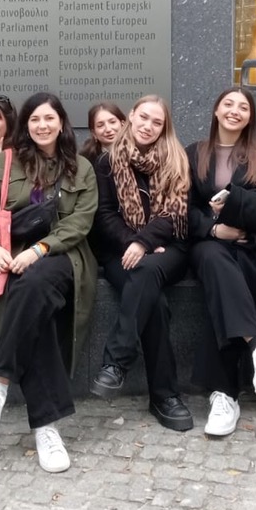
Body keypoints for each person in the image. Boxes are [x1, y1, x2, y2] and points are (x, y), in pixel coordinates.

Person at [0, 92, 98, 473]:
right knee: (34, 310)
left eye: (49, 118)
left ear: (61, 122)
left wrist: (40, 250)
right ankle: (46, 428)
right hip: (10, 255)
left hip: (63, 256)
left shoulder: (81, 168)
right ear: (25, 125)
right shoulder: (7, 161)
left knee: (33, 284)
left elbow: (79, 223)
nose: (42, 125)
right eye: (35, 119)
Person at [186, 86, 256, 437]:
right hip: (207, 243)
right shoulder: (194, 153)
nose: (235, 111)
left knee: (227, 284)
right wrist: (214, 229)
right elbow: (182, 208)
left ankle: (224, 394)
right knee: (214, 260)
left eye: (243, 107)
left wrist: (239, 212)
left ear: (250, 117)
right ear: (216, 111)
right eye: (228, 104)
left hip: (251, 245)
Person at [88, 96, 193, 431]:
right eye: (143, 117)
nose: (148, 126)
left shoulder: (176, 160)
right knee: (154, 303)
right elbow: (105, 215)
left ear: (164, 127)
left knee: (147, 271)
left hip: (169, 248)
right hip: (119, 251)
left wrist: (144, 241)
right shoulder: (107, 162)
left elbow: (175, 214)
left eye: (156, 122)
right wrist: (132, 242)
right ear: (131, 117)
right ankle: (165, 397)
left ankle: (116, 362)